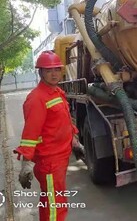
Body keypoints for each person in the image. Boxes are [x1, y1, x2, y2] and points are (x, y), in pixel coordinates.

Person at [14, 50, 84, 221]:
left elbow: (62, 122)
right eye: (48, 70)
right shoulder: (37, 98)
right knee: (56, 207)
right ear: (41, 73)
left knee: (51, 201)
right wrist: (26, 164)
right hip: (49, 163)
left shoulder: (57, 92)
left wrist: (74, 141)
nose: (54, 74)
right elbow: (30, 134)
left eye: (56, 70)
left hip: (59, 159)